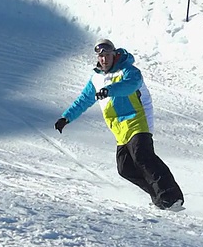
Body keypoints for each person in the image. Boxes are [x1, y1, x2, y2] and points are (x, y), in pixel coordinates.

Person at [54, 39, 184, 210]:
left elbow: (130, 85)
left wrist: (110, 89)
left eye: (107, 55)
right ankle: (159, 198)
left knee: (142, 156)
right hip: (119, 129)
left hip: (137, 120)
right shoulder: (96, 79)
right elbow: (84, 100)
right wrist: (66, 118)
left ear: (114, 54)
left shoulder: (128, 70)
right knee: (125, 168)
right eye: (101, 57)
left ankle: (171, 197)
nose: (104, 60)